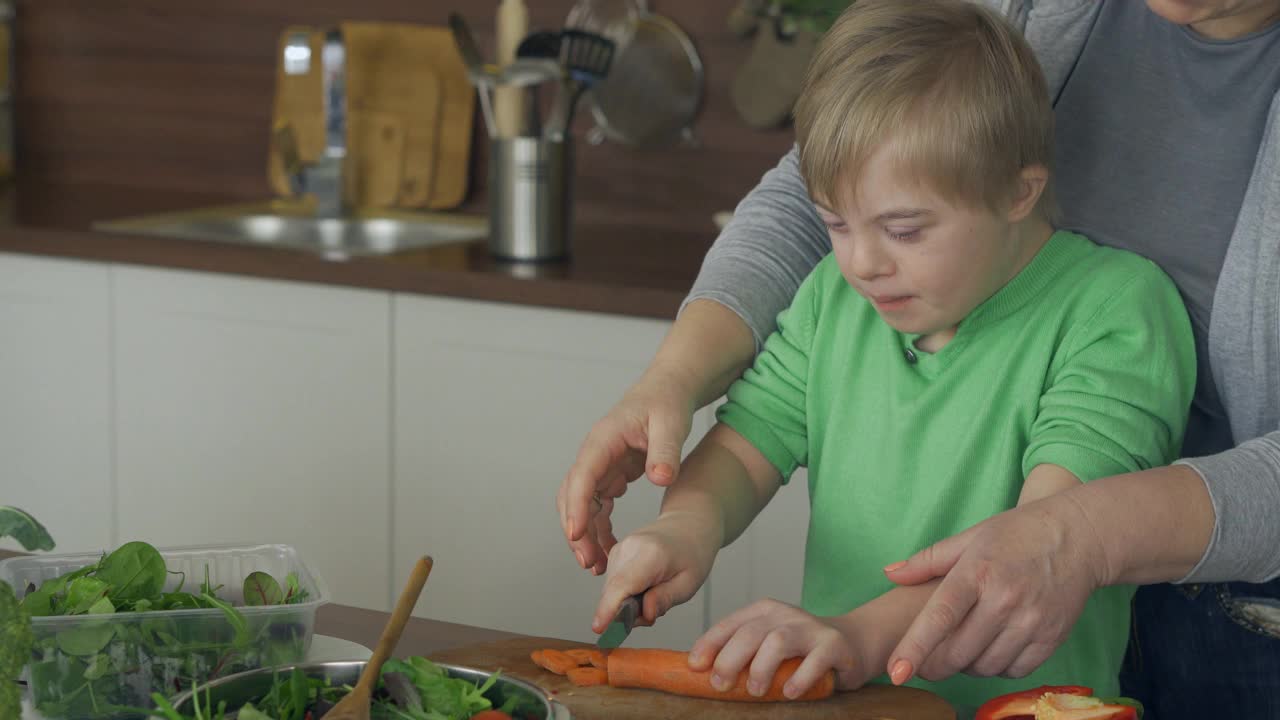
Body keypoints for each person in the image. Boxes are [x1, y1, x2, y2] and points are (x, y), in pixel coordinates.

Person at [558, 0, 1280, 717]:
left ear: (1017, 192)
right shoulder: (837, 295)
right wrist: (686, 525)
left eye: (903, 229)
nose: (863, 262)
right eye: (835, 223)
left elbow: (1041, 541)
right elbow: (751, 440)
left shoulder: (1119, 314)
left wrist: (858, 639)